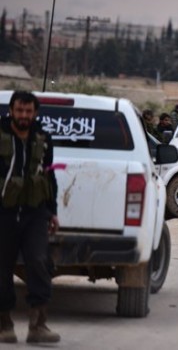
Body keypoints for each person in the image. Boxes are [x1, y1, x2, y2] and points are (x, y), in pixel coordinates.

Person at [0, 91, 61, 344]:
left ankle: (38, 325)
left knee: (38, 261)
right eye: (19, 110)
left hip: (35, 212)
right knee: (2, 267)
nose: (23, 115)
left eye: (28, 111)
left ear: (35, 113)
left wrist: (52, 211)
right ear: (11, 111)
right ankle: (4, 325)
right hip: (4, 212)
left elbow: (49, 174)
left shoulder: (43, 138)